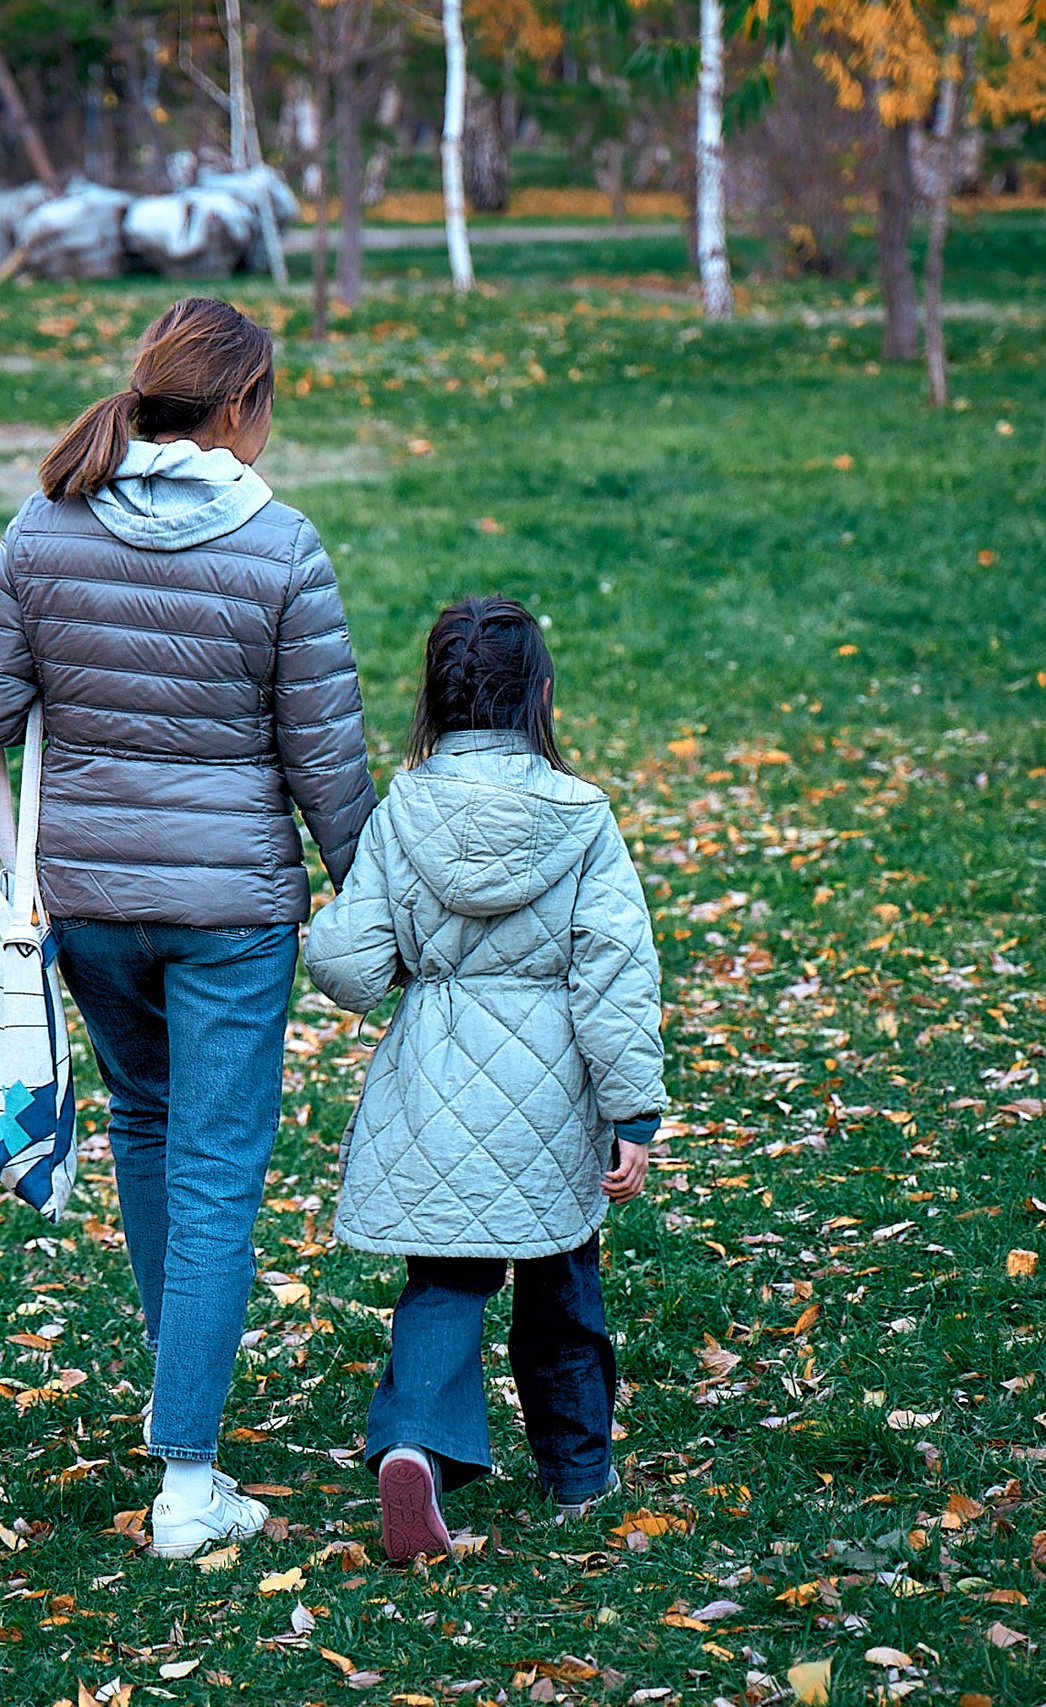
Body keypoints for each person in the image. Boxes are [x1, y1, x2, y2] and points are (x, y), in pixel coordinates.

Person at [0, 297, 377, 1561]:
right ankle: (187, 1475)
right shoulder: (283, 549)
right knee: (218, 1172)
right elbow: (326, 761)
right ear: (240, 408)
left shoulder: (44, 528)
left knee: (148, 1121)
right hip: (230, 914)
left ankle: (175, 1377)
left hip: (87, 905)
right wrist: (373, 899)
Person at [304, 596, 668, 1562]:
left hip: (435, 1083)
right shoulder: (582, 818)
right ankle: (580, 1477)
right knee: (562, 1286)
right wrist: (631, 1107)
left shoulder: (401, 811)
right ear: (541, 696)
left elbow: (348, 964)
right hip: (553, 1097)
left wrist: (344, 931)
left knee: (444, 1278)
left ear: (432, 704)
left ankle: (413, 1447)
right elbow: (615, 973)